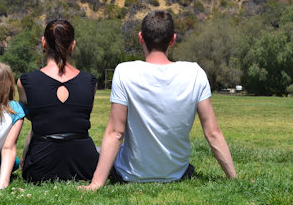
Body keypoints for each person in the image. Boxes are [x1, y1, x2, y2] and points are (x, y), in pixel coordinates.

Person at [80, 10, 237, 191]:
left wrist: (96, 183)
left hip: (131, 174)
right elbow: (213, 133)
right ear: (172, 39)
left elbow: (116, 132)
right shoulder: (195, 73)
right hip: (177, 173)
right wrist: (234, 178)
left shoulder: (125, 72)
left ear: (141, 38)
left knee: (99, 151)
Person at [17, 19, 99, 182]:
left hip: (40, 168)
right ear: (73, 45)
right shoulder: (90, 82)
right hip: (85, 166)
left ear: (43, 42)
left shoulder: (26, 82)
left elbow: (39, 122)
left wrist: (24, 158)